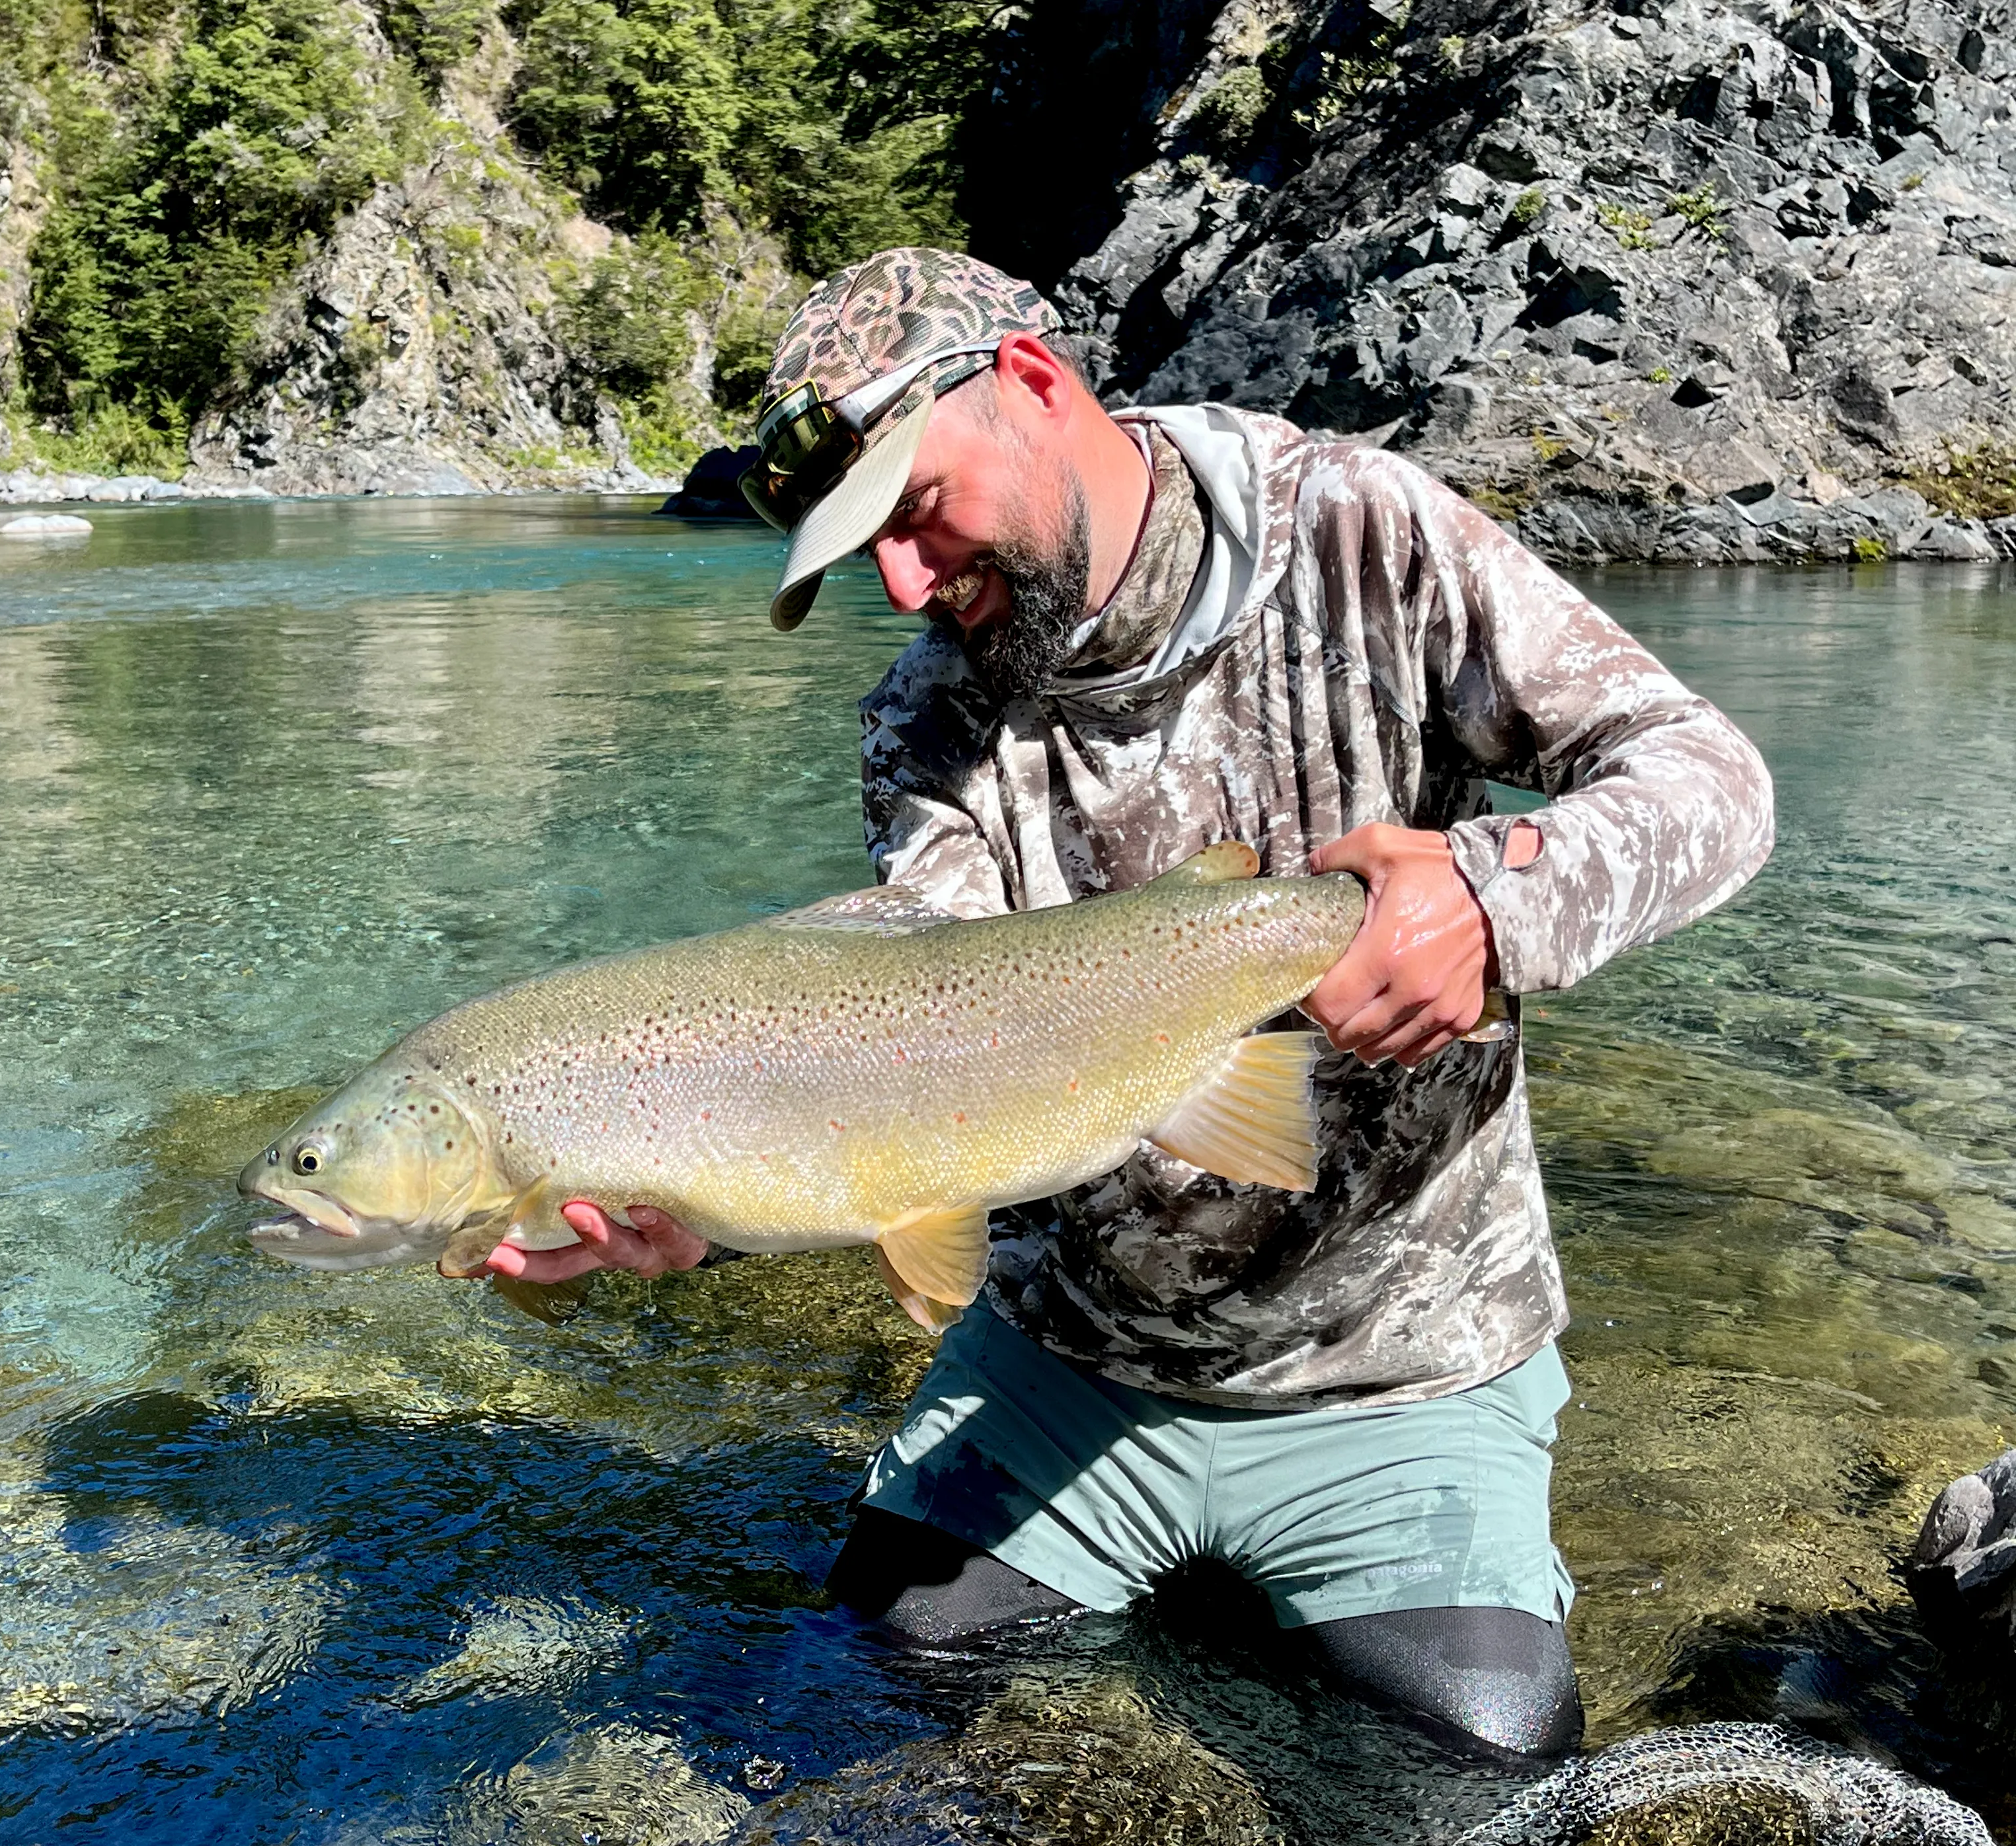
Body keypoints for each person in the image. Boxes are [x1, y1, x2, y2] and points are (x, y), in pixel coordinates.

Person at [481, 248, 1775, 1758]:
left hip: (1398, 1365)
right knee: (860, 1721)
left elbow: (1710, 780)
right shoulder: (926, 719)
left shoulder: (1363, 534)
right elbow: (912, 1045)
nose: (902, 585)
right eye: (864, 556)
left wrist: (1494, 898)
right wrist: (709, 1193)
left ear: (1033, 385)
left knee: (1473, 1770)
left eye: (911, 512)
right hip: (1061, 1365)